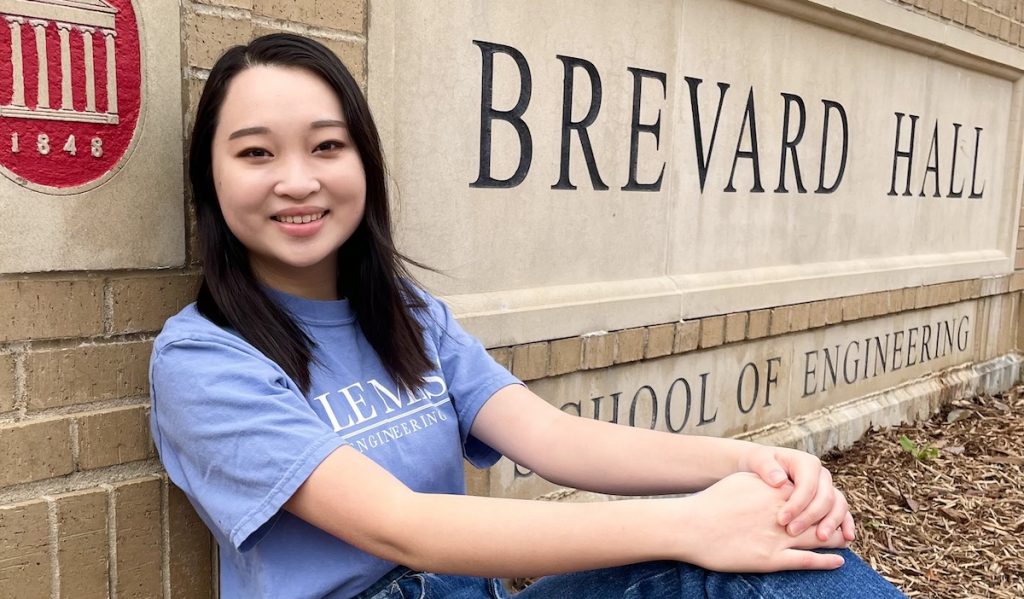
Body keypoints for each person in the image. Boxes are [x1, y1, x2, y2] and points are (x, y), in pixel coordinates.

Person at [149, 32, 905, 599]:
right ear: (210, 181)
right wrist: (695, 523)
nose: (297, 179)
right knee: (717, 548)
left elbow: (552, 438)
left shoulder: (408, 316)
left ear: (364, 165)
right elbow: (402, 525)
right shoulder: (205, 360)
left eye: (327, 146)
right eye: (255, 154)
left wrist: (749, 464)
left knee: (786, 562)